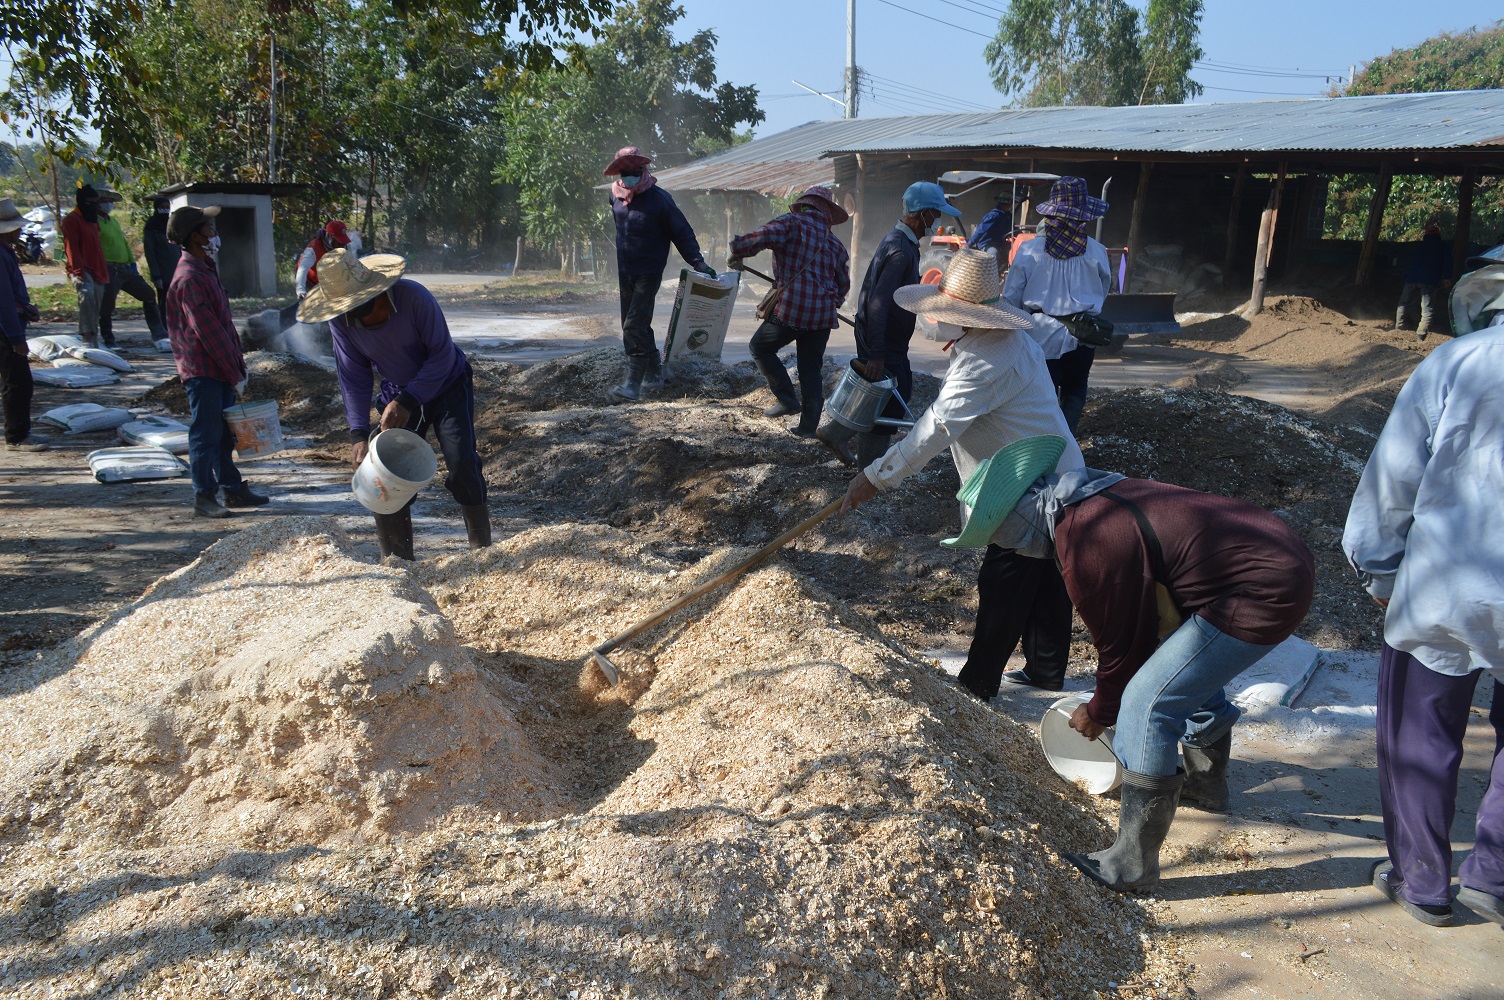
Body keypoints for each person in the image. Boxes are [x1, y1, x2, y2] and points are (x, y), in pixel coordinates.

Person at [838, 248, 1084, 700]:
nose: (935, 322)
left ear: (966, 315)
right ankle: (1046, 669)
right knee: (1047, 572)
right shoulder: (997, 343)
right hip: (1057, 471)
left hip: (1027, 483)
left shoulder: (984, 361)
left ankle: (975, 687)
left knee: (1005, 579)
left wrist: (876, 476)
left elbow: (938, 426)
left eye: (941, 313)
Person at [1342, 307, 1504, 928]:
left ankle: (1423, 880)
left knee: (1421, 733)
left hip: (1449, 581)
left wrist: (1379, 567)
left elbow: (1395, 474)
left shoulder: (1460, 360)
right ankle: (1493, 874)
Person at [298, 247, 490, 559]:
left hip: (446, 384)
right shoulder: (342, 322)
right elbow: (353, 374)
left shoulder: (415, 299)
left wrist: (408, 400)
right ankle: (399, 563)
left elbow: (442, 356)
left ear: (377, 291)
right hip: (397, 390)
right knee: (382, 473)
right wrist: (358, 433)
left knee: (462, 463)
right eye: (349, 310)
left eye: (363, 305)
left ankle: (482, 553)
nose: (358, 315)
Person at [816, 181, 960, 466]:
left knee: (886, 394)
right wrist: (877, 353)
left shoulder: (902, 241)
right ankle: (867, 472)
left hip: (883, 334)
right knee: (889, 402)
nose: (938, 221)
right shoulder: (901, 251)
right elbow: (878, 303)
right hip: (882, 336)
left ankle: (836, 433)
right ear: (924, 214)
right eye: (936, 214)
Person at [165, 204, 269, 519]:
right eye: (209, 228)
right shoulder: (190, 277)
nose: (214, 233)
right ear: (194, 236)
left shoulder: (204, 267)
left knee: (223, 435)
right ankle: (204, 496)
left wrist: (236, 365)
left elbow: (223, 325)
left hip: (218, 369)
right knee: (205, 435)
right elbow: (208, 333)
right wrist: (234, 370)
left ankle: (232, 489)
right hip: (204, 371)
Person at [729, 186, 852, 437]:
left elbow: (762, 236)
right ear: (826, 212)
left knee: (760, 348)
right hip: (822, 317)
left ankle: (787, 400)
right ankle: (807, 429)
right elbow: (843, 284)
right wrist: (831, 303)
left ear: (804, 205)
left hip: (792, 310)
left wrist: (738, 249)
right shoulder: (835, 244)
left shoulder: (792, 223)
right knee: (810, 370)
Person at [602, 145, 714, 403]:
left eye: (634, 171)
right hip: (625, 270)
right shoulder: (614, 196)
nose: (629, 175)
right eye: (624, 171)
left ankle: (632, 385)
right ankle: (656, 374)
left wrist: (699, 263)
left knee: (634, 325)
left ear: (643, 170)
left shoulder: (660, 200)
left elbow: (682, 233)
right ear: (619, 172)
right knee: (633, 323)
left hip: (649, 271)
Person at [1002, 176, 1113, 433]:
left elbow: (1011, 297)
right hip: (1083, 335)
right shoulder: (1097, 251)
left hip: (1040, 338)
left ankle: (1046, 449)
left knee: (1044, 397)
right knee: (1075, 388)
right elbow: (1103, 290)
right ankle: (1067, 441)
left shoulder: (1029, 250)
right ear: (1084, 215)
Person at [0, 199, 45, 452]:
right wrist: (17, 338)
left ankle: (19, 433)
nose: (19, 231)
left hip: (10, 324)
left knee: (16, 381)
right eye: (15, 227)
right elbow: (4, 301)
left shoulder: (6, 252)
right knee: (17, 382)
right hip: (5, 329)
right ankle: (17, 436)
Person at [96, 193, 168, 347]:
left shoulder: (113, 221)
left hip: (125, 268)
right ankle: (109, 339)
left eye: (111, 201)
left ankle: (159, 334)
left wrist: (131, 262)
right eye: (106, 200)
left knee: (148, 294)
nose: (110, 204)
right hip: (108, 267)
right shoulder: (94, 223)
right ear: (98, 203)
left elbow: (123, 243)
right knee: (107, 304)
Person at [60, 184, 109, 348]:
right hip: (81, 268)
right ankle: (87, 336)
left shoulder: (93, 218)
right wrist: (78, 272)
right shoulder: (71, 220)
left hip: (98, 268)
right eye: (92, 201)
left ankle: (94, 338)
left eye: (97, 202)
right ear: (82, 201)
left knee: (96, 304)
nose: (95, 205)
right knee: (86, 296)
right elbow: (71, 248)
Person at [1394, 223, 1451, 340]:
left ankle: (1398, 328)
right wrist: (1446, 278)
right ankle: (1421, 335)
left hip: (1411, 279)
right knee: (1427, 309)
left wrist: (1407, 276)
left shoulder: (1419, 246)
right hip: (1429, 281)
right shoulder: (1443, 247)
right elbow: (1447, 263)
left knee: (1403, 303)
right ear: (1438, 235)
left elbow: (1410, 263)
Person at [295, 220, 354, 299]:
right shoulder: (313, 249)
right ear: (329, 237)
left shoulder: (346, 246)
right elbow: (302, 269)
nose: (341, 245)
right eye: (338, 241)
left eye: (343, 241)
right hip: (309, 280)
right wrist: (300, 290)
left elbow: (352, 265)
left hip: (328, 279)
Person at [143, 195, 180, 320]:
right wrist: (156, 275)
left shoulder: (172, 224)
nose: (165, 210)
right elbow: (150, 252)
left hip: (177, 270)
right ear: (156, 208)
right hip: (163, 273)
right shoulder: (151, 227)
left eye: (167, 207)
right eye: (162, 208)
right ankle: (165, 329)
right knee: (165, 303)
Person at [967, 188, 1014, 255]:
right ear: (1003, 204)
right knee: (993, 253)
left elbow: (1013, 229)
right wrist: (969, 244)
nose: (1010, 206)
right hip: (988, 244)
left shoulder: (1009, 216)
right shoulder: (993, 216)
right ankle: (993, 265)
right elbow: (981, 230)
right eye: (1008, 204)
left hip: (1002, 243)